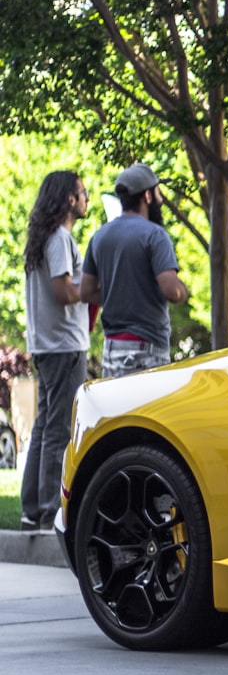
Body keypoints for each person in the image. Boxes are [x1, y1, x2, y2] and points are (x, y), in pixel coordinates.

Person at [19, 171, 91, 531]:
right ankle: (49, 509)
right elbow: (64, 293)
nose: (86, 198)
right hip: (64, 345)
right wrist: (93, 287)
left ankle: (32, 507)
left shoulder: (42, 238)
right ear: (68, 200)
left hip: (45, 345)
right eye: (82, 192)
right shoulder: (60, 238)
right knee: (59, 429)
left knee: (44, 426)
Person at [80, 163, 190, 378]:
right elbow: (171, 290)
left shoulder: (100, 237)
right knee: (149, 411)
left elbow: (85, 292)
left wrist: (119, 295)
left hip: (112, 348)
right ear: (147, 196)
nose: (160, 199)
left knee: (119, 412)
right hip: (148, 348)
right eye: (157, 192)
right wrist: (182, 290)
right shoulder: (155, 235)